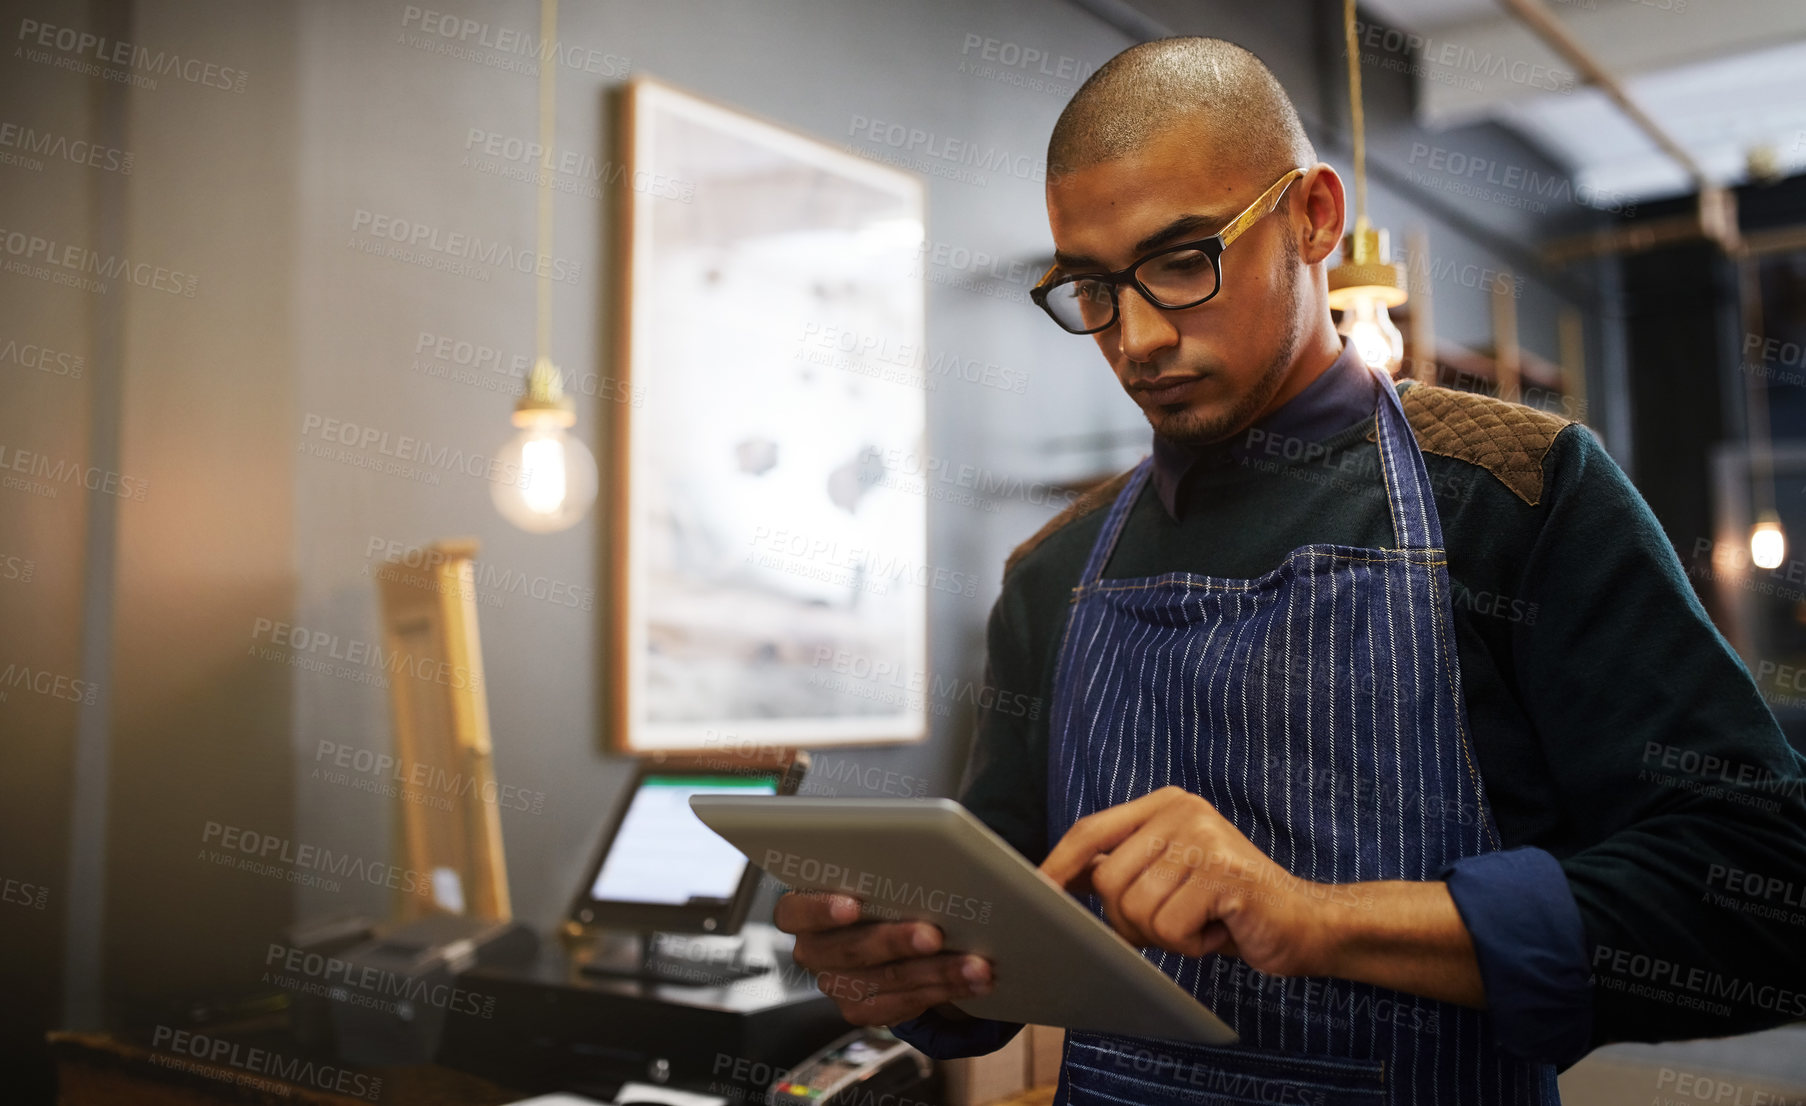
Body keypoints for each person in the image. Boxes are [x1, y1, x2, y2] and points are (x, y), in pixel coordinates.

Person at [773, 36, 1806, 1105]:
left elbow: (1769, 894)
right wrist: (914, 970)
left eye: (1182, 260)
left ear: (1313, 217)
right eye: (1091, 285)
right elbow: (1008, 936)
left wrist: (1317, 919)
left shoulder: (1514, 495)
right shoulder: (1054, 571)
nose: (1135, 338)